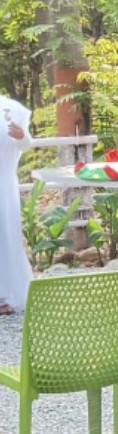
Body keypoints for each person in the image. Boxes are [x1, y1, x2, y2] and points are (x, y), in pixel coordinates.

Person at [0, 92, 32, 315]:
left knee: (6, 237)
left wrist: (22, 137)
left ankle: (5, 293)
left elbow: (27, 144)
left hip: (4, 185)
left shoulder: (11, 108)